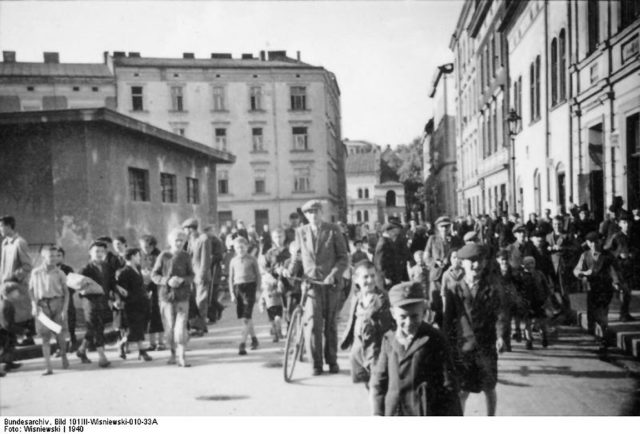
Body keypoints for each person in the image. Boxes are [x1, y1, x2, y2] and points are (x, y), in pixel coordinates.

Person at [369, 281, 462, 416]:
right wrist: (377, 413)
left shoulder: (435, 338)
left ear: (424, 312)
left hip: (424, 412)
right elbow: (379, 382)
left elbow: (449, 385)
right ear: (393, 314)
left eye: (414, 316)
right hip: (395, 412)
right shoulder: (389, 340)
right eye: (402, 317)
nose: (408, 323)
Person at [284, 199, 349, 376]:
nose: (313, 215)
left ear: (322, 212)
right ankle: (316, 364)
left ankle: (332, 361)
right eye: (309, 213)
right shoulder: (301, 232)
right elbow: (297, 256)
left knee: (330, 324)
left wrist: (333, 275)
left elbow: (343, 257)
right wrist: (290, 270)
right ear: (305, 215)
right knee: (313, 324)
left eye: (316, 211)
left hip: (331, 284)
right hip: (311, 284)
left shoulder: (333, 230)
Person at [442, 243, 505, 416]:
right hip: (464, 347)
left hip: (486, 346)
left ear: (484, 262)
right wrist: (446, 344)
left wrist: (500, 336)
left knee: (489, 387)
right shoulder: (454, 289)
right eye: (471, 261)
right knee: (463, 390)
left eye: (479, 261)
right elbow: (448, 320)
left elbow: (499, 314)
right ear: (462, 263)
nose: (475, 265)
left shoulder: (491, 288)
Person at [340, 260, 394, 386]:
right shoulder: (357, 297)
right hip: (359, 351)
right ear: (355, 279)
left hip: (376, 352)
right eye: (365, 277)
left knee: (377, 388)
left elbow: (387, 328)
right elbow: (352, 322)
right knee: (367, 384)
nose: (370, 280)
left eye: (372, 276)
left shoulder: (383, 299)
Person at [152, 228, 195, 367]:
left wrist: (183, 280)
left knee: (181, 327)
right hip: (166, 298)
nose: (179, 243)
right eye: (176, 240)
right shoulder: (163, 256)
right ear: (170, 241)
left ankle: (182, 356)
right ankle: (172, 354)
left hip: (182, 297)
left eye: (182, 240)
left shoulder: (186, 256)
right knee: (169, 328)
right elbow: (154, 275)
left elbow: (191, 275)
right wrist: (167, 280)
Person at [573, 231, 620, 355]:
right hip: (592, 288)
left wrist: (616, 283)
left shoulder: (608, 256)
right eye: (591, 242)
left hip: (605, 288)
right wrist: (582, 273)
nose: (593, 245)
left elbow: (614, 270)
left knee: (602, 312)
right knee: (593, 315)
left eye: (596, 242)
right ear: (587, 243)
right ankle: (601, 337)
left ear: (600, 241)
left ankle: (604, 340)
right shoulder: (585, 255)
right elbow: (577, 269)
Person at [29, 245, 70, 375]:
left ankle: (64, 356)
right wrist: (34, 305)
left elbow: (66, 292)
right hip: (42, 306)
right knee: (45, 337)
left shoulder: (60, 273)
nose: (53, 258)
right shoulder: (36, 272)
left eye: (55, 256)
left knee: (59, 334)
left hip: (57, 304)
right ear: (43, 256)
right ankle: (48, 366)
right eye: (50, 256)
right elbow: (30, 290)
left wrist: (64, 309)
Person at [77, 241, 113, 367]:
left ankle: (81, 350)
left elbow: (111, 283)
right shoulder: (85, 269)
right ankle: (102, 357)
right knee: (97, 327)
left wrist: (116, 294)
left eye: (102, 251)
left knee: (94, 327)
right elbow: (78, 286)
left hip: (103, 302)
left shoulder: (107, 267)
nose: (99, 254)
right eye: (96, 251)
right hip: (90, 302)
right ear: (90, 253)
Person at [0, 216, 34, 346]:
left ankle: (27, 336)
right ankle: (13, 345)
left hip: (16, 286)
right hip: (5, 286)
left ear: (9, 226)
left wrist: (14, 278)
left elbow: (27, 266)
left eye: (1, 226)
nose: (0, 229)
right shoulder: (5, 243)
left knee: (19, 315)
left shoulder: (20, 242)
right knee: (8, 317)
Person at [424, 216, 461, 328]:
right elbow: (426, 257)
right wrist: (435, 262)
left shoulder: (455, 240)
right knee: (436, 305)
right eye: (442, 227)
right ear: (438, 228)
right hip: (436, 277)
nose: (444, 229)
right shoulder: (432, 239)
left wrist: (452, 264)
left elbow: (460, 256)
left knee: (451, 303)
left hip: (451, 276)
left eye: (447, 226)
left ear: (450, 227)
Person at [116, 248, 152, 362]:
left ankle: (125, 345)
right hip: (131, 305)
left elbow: (140, 285)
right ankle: (140, 351)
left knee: (140, 328)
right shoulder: (124, 272)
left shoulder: (138, 268)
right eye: (137, 256)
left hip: (142, 302)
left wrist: (145, 293)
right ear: (131, 256)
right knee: (135, 330)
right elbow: (122, 290)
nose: (139, 258)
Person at [229, 236, 262, 355]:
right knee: (246, 317)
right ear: (235, 249)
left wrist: (258, 290)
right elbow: (230, 278)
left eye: (242, 247)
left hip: (250, 287)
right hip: (238, 288)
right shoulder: (233, 261)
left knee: (246, 317)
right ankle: (254, 340)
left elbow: (258, 275)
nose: (240, 250)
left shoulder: (252, 259)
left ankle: (242, 343)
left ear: (247, 247)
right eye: (238, 248)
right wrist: (232, 293)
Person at [182, 218, 212, 337]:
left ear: (191, 229)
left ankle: (200, 327)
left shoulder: (203, 239)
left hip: (201, 275)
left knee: (201, 302)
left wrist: (202, 275)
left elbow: (205, 260)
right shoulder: (190, 240)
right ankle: (199, 326)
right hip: (192, 275)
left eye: (186, 229)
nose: (185, 232)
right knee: (194, 302)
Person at [607, 213, 637, 322]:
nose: (627, 225)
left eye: (628, 222)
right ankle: (622, 314)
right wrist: (618, 255)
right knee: (623, 291)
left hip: (630, 267)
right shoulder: (616, 237)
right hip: (619, 268)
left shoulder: (634, 237)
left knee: (628, 292)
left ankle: (625, 313)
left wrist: (633, 254)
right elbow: (608, 251)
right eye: (624, 222)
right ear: (620, 224)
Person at [519, 256, 552, 350]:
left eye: (532, 263)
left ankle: (544, 336)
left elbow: (546, 286)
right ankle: (529, 341)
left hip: (539, 301)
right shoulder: (521, 275)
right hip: (527, 302)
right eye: (527, 263)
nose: (530, 265)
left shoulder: (539, 274)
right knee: (527, 323)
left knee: (541, 321)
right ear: (523, 265)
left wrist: (547, 298)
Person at [139, 235, 165, 351]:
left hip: (157, 289)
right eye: (143, 247)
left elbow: (163, 272)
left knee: (158, 315)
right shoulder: (141, 256)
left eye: (147, 247)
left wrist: (151, 275)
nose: (144, 249)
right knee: (148, 316)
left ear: (152, 246)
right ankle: (151, 342)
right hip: (145, 289)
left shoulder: (159, 256)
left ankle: (161, 342)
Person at [0, 283, 27, 376]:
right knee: (4, 349)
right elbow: (6, 324)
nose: (18, 293)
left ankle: (9, 364)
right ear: (9, 293)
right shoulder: (7, 305)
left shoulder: (6, 303)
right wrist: (21, 330)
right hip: (3, 332)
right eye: (16, 291)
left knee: (9, 348)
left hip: (5, 331)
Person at [374, 221, 405, 291]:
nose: (396, 234)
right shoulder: (383, 242)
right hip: (387, 279)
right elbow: (379, 262)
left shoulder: (388, 241)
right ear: (389, 231)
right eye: (395, 232)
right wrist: (386, 277)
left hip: (393, 276)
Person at [259, 274, 284, 343]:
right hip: (269, 309)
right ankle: (275, 336)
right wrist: (261, 307)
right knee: (272, 323)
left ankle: (279, 331)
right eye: (265, 284)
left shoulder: (275, 289)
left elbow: (281, 292)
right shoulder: (264, 292)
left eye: (267, 284)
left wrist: (279, 284)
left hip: (278, 306)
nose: (266, 286)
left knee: (277, 319)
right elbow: (261, 300)